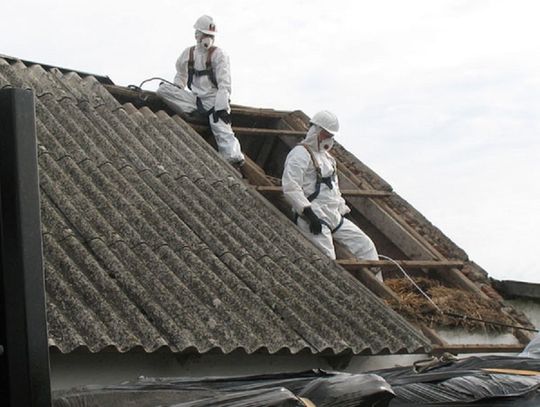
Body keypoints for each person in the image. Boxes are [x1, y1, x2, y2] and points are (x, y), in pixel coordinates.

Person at [282, 110, 382, 281]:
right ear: (316, 131)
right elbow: (291, 187)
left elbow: (334, 190)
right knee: (327, 260)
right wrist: (307, 213)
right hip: (314, 216)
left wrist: (344, 210)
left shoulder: (329, 159)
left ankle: (379, 291)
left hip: (334, 216)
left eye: (330, 135)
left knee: (366, 246)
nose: (327, 138)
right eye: (325, 133)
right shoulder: (300, 154)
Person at [157, 15, 245, 167]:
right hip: (195, 99)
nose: (207, 38)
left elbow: (225, 84)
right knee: (163, 90)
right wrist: (178, 88)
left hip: (214, 100)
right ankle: (194, 112)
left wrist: (222, 108)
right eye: (205, 34)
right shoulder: (188, 53)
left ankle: (234, 156)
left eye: (210, 35)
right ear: (197, 34)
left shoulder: (219, 55)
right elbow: (181, 73)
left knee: (221, 127)